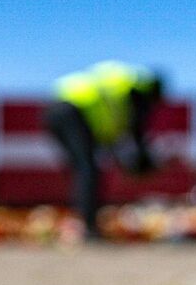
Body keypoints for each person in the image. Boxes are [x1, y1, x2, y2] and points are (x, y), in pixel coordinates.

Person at [45, 61, 166, 236]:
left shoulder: (124, 86)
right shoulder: (137, 92)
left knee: (83, 169)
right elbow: (136, 135)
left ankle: (82, 221)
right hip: (73, 109)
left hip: (58, 108)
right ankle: (89, 228)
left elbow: (115, 138)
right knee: (87, 169)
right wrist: (143, 163)